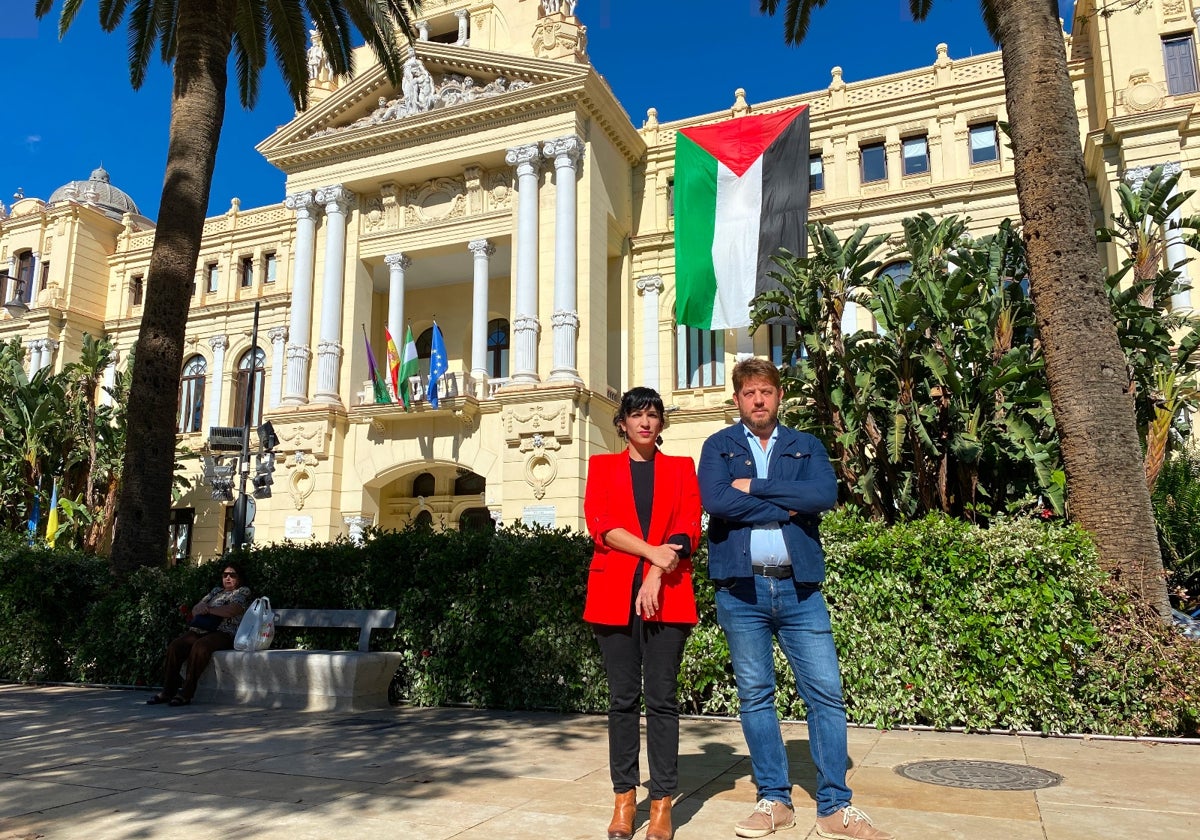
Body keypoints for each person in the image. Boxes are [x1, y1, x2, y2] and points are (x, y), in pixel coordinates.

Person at [698, 358, 895, 840]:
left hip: (799, 588)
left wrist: (758, 487)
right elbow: (717, 501)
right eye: (749, 393)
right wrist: (786, 503)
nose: (758, 400)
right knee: (756, 695)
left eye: (766, 391)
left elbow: (823, 496)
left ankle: (834, 806)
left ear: (778, 396)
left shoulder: (804, 445)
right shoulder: (718, 446)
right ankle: (774, 800)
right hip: (741, 590)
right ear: (738, 399)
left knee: (825, 693)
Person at [584, 387, 702, 840]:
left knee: (662, 700)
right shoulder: (601, 466)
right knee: (621, 700)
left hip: (668, 594)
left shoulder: (680, 468)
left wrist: (655, 572)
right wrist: (654, 553)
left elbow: (688, 528)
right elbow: (603, 527)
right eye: (637, 415)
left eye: (653, 415)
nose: (646, 423)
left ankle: (661, 803)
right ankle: (623, 799)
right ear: (623, 424)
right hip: (612, 596)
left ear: (661, 423)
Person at [146, 563, 251, 708]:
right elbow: (196, 610)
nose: (228, 578)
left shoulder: (242, 592)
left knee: (200, 647)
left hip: (223, 633)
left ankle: (186, 693)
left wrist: (209, 609)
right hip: (201, 630)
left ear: (239, 578)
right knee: (176, 646)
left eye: (232, 575)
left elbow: (232, 610)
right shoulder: (215, 592)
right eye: (225, 575)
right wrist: (205, 608)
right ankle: (168, 691)